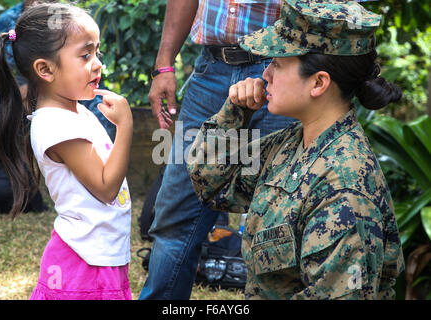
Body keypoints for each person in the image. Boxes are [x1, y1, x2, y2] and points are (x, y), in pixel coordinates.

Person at [187, 0, 405, 299]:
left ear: (318, 83)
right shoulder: (294, 143)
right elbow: (212, 184)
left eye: (276, 64)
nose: (265, 76)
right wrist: (235, 112)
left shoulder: (344, 188)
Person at [140, 0, 297, 300]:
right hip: (212, 71)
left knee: (279, 228)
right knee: (175, 220)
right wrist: (164, 65)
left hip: (285, 70)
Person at [0, 3, 132, 300]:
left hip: (97, 254)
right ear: (45, 69)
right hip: (83, 265)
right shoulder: (58, 126)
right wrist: (126, 127)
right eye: (85, 55)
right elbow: (107, 188)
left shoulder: (74, 112)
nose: (98, 64)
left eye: (98, 53)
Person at [0, 0, 115, 138]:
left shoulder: (70, 18)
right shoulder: (8, 19)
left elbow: (83, 65)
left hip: (73, 81)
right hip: (24, 86)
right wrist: (24, 90)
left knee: (103, 111)